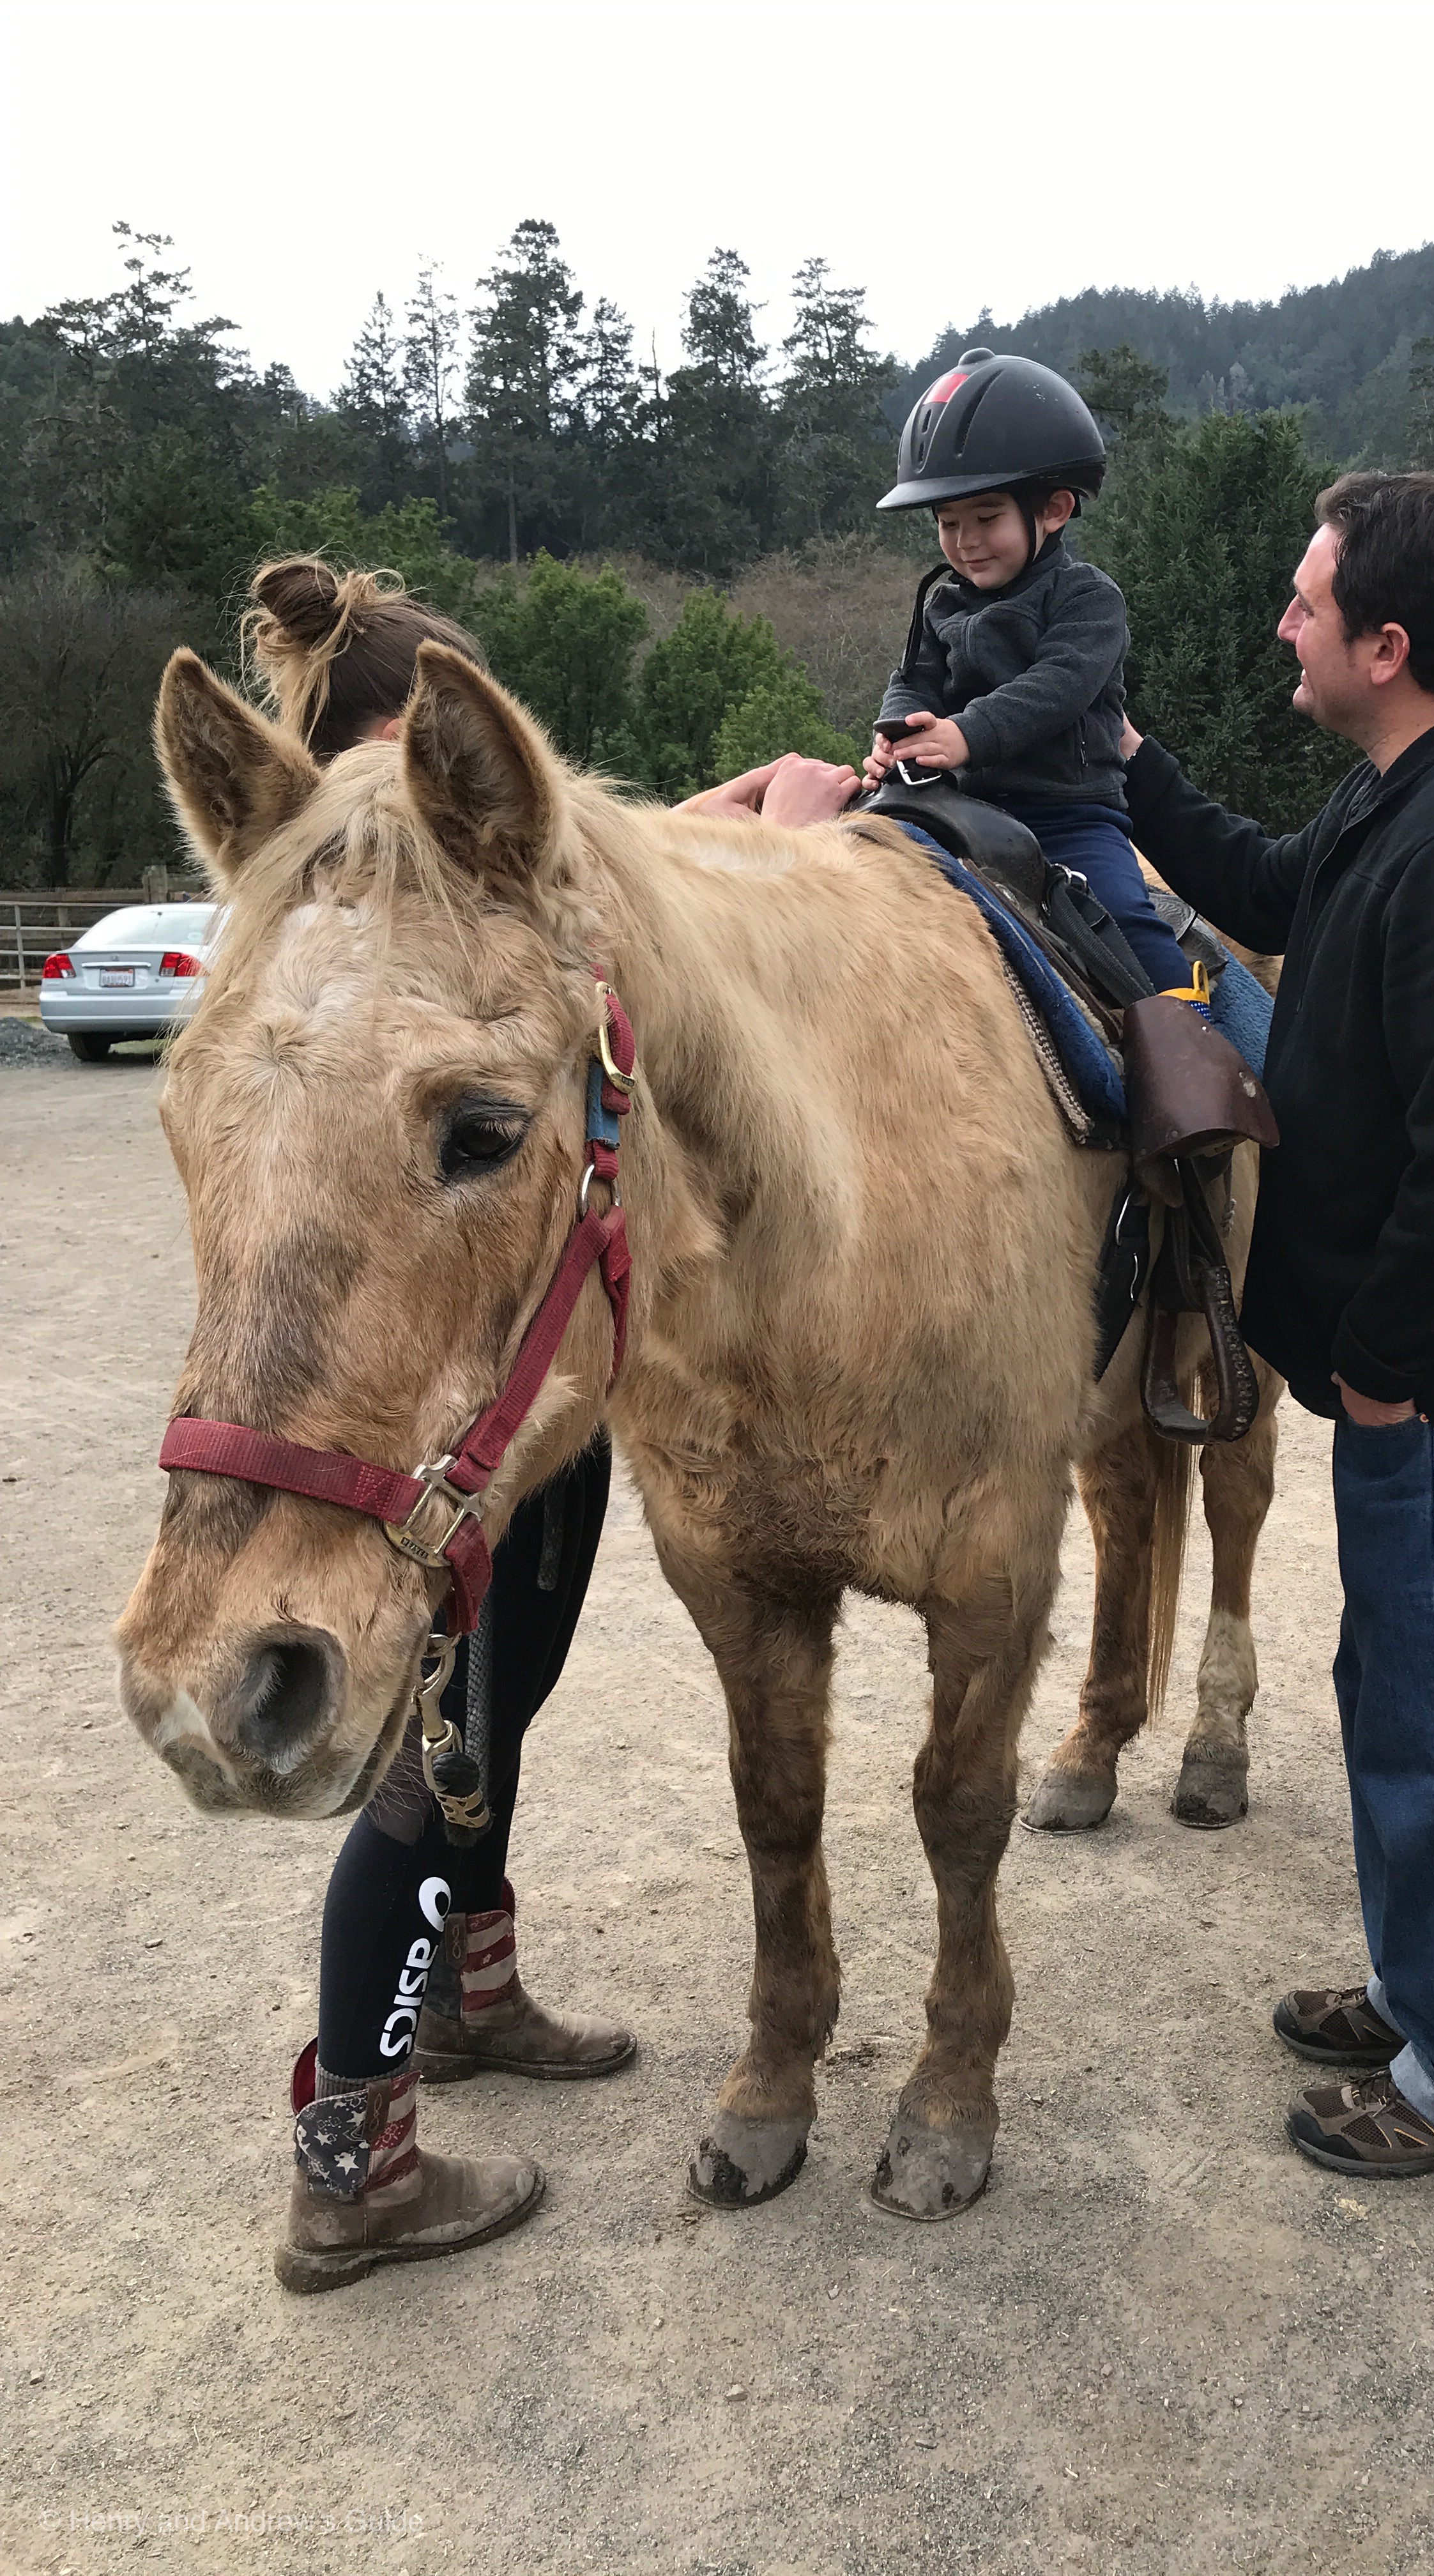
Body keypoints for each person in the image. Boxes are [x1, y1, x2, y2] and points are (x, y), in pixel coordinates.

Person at [1120, 473, 1434, 2178]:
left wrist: (1380, 1362)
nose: (1284, 622)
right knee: (1406, 1697)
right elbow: (1272, 885)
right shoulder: (1406, 794)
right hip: (1430, 1394)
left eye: (1305, 602)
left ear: (1388, 643)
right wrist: (1132, 774)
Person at [245, 560, 636, 2294]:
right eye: (424, 753)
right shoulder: (356, 959)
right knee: (424, 1757)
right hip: (437, 1415)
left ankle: (472, 1991)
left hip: (519, 1382)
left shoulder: (425, 917)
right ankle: (358, 2162)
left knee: (499, 1703)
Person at [864, 348, 1198, 1002]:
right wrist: (897, 731)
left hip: (1068, 816)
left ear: (1054, 509)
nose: (964, 541)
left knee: (1131, 928)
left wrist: (965, 734)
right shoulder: (943, 603)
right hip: (956, 810)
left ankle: (1202, 1061)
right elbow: (913, 679)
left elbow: (1057, 689)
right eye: (947, 523)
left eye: (986, 517)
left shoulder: (1088, 600)